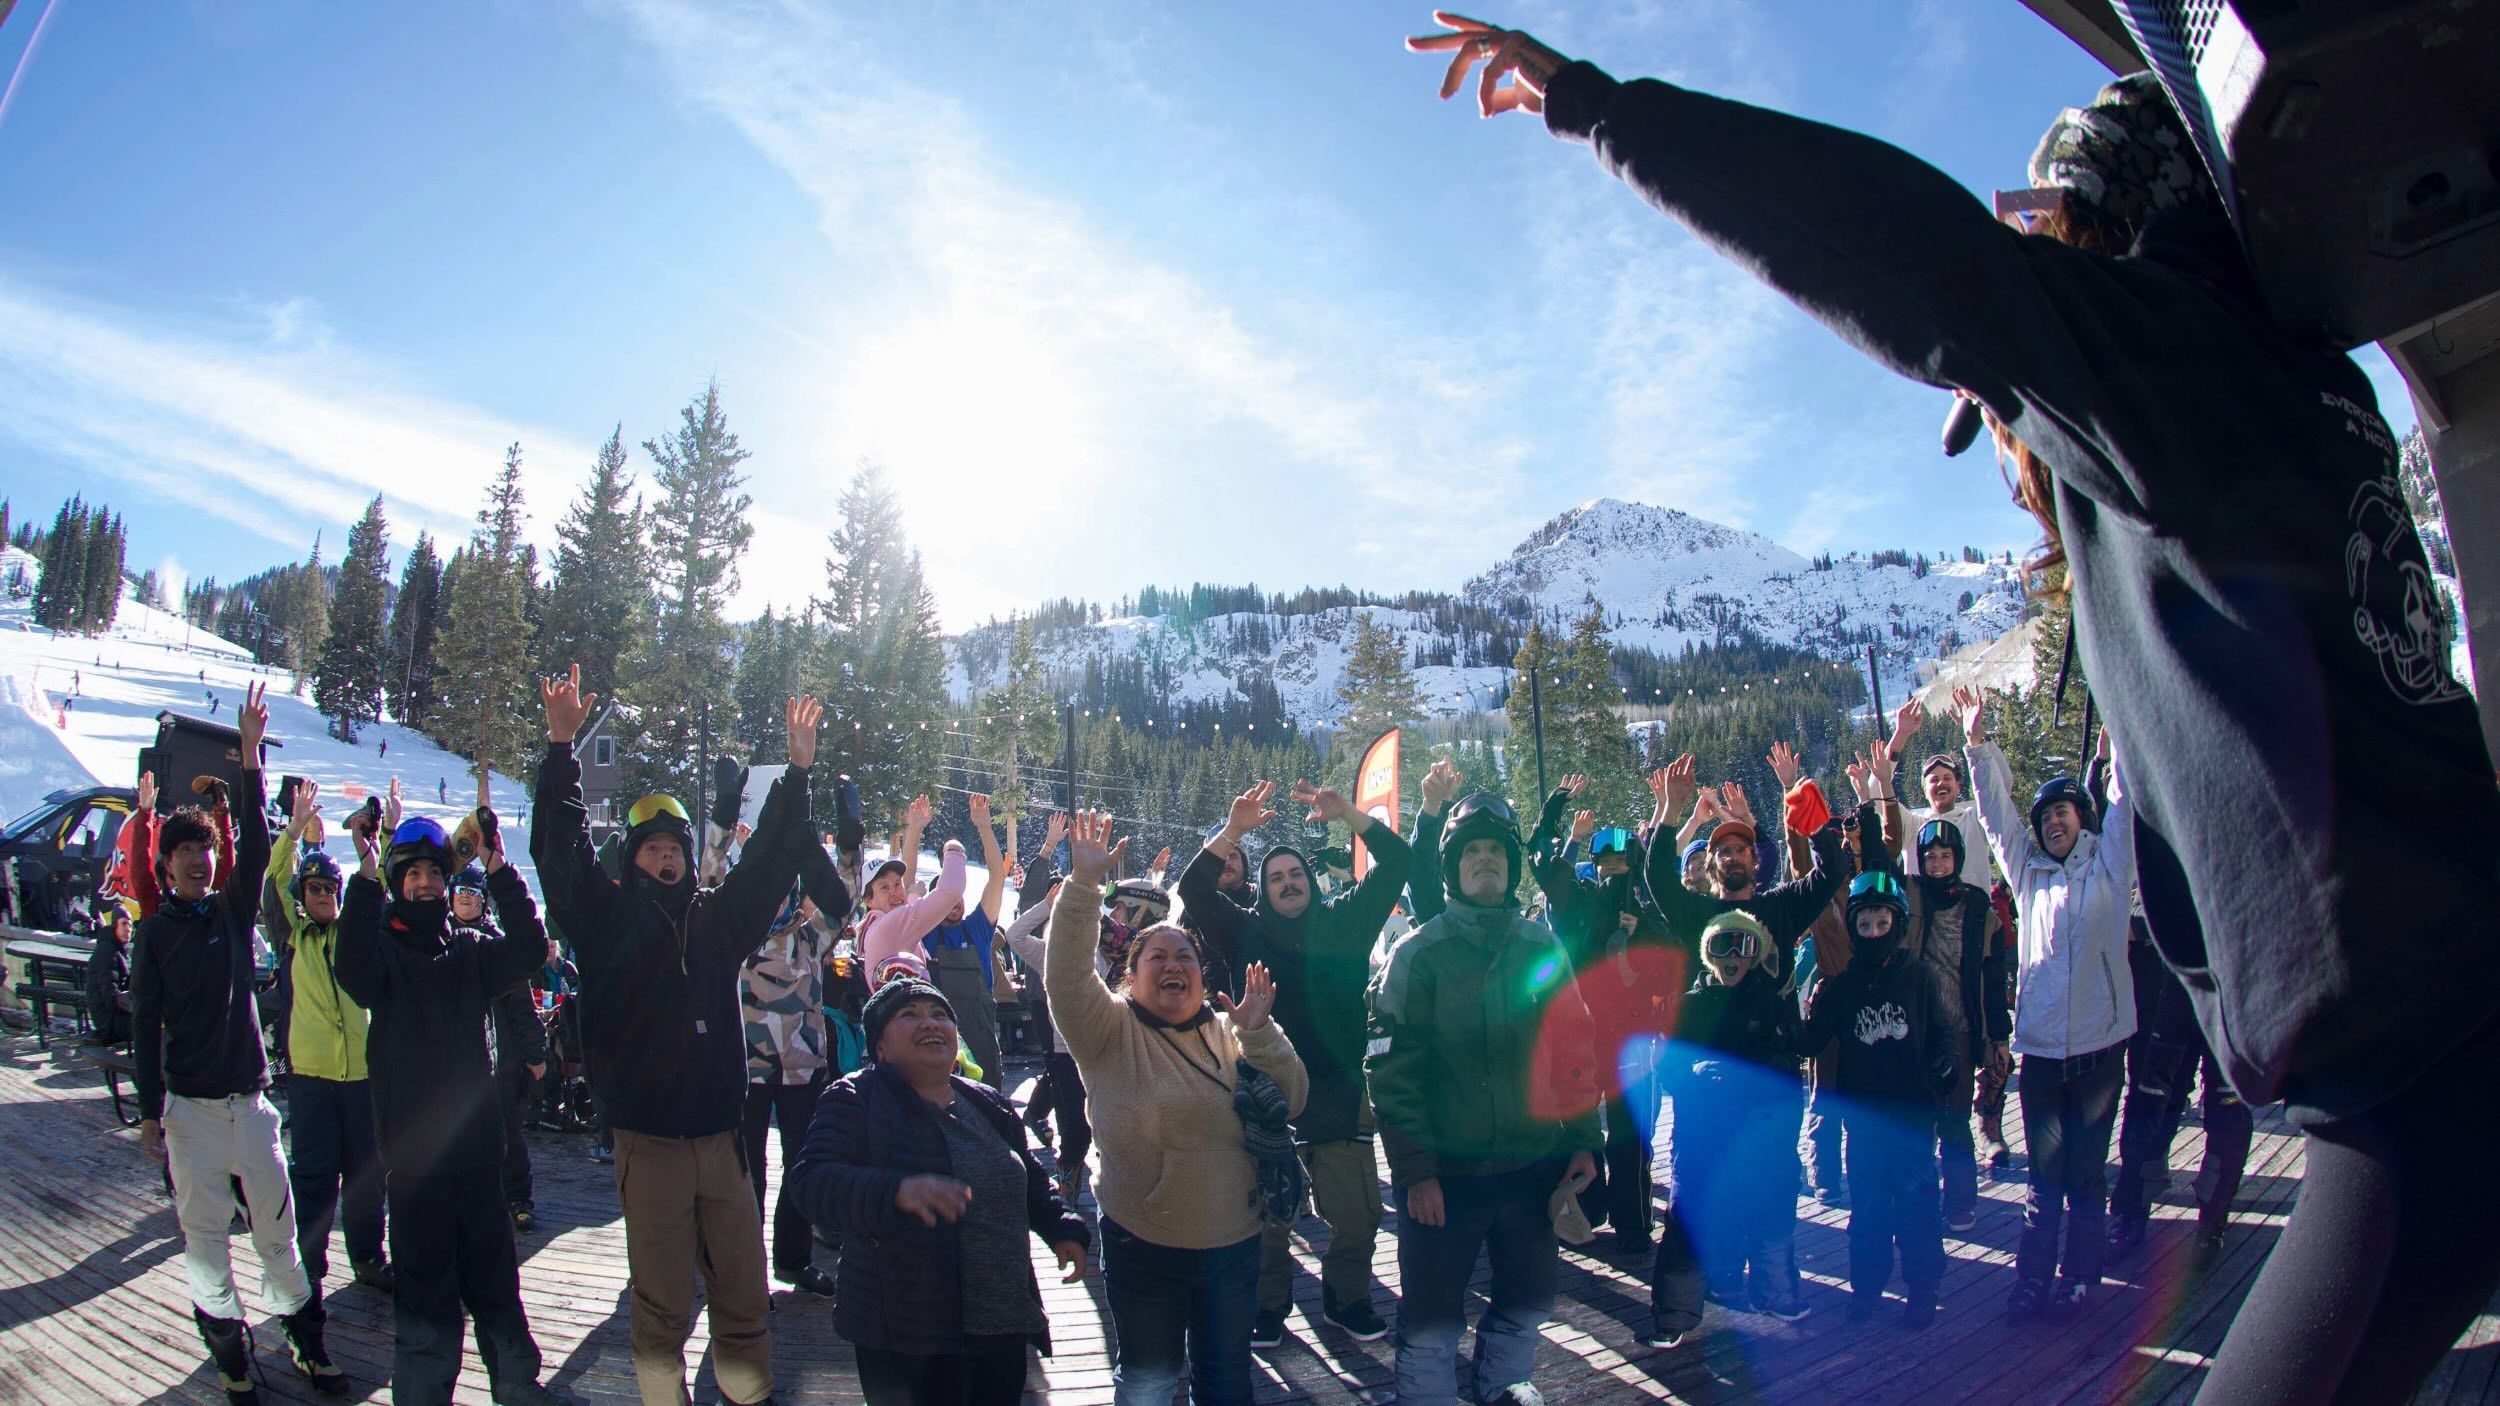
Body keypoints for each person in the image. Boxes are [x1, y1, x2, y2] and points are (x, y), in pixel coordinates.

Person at [1411, 19, 2500, 1397]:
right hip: (2442, 1018)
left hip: (2424, 1062)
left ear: (2096, 233)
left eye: (2003, 404)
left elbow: (1895, 243)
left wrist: (1599, 108)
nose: (2008, 442)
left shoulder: (2167, 361)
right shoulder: (2298, 385)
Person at [530, 665, 820, 1406]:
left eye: (676, 847)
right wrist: (562, 748)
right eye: (651, 847)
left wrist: (796, 771)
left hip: (722, 1143)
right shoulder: (603, 920)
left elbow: (772, 860)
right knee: (661, 1309)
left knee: (745, 1304)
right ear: (629, 860)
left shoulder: (717, 920)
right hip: (649, 1142)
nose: (666, 856)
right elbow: (556, 856)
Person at [1045, 809, 1307, 1406]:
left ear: (1201, 972)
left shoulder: (1229, 1031)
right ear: (1129, 978)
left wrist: (1261, 1036)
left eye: (1184, 957)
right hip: (1143, 1244)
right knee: (1147, 1383)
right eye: (1155, 959)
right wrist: (1083, 887)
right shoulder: (1107, 1032)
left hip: (1234, 1243)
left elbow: (1292, 1100)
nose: (1172, 965)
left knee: (1225, 1383)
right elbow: (1063, 976)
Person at [129, 683, 344, 1402]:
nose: (200, 859)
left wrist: (251, 758)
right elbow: (142, 1024)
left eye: (207, 849)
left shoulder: (229, 908)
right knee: (205, 1251)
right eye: (187, 851)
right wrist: (151, 1110)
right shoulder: (155, 936)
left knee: (279, 1244)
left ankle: (307, 1344)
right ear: (166, 866)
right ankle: (227, 1354)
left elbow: (257, 841)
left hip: (251, 1108)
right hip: (189, 1116)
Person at [1367, 790, 1603, 1406]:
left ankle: (1504, 1387)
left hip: (1532, 1169)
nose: (1484, 861)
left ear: (1511, 864)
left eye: (1495, 851)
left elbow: (1576, 1050)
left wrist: (1583, 1138)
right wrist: (1416, 1171)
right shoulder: (1415, 954)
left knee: (1527, 1299)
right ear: (1451, 867)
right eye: (1471, 852)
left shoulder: (1542, 947)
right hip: (1445, 1178)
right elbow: (1392, 1075)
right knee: (1432, 1318)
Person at [337, 817, 565, 1406]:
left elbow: (527, 950)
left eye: (433, 874)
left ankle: (519, 1390)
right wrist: (363, 877)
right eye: (411, 874)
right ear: (395, 881)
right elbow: (352, 971)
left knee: (496, 1287)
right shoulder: (382, 953)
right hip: (415, 1169)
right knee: (425, 1299)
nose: (424, 884)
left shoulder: (470, 951)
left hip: (475, 1159)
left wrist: (499, 867)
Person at [1178, 777, 1412, 1348]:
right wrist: (1232, 829)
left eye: (1296, 874)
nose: (1287, 883)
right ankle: (1268, 1305)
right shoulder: (1244, 929)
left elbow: (1399, 859)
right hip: (1262, 1089)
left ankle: (1346, 1298)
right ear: (1263, 889)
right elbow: (1194, 890)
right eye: (1276, 877)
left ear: (1310, 881)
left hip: (1337, 1088)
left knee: (1356, 1216)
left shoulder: (1346, 919)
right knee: (1264, 1221)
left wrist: (1350, 815)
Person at [788, 974, 1090, 1405]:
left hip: (1001, 1325)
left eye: (940, 1014)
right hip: (907, 1338)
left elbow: (1028, 1179)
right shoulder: (855, 1098)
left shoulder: (989, 1102)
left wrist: (1062, 1227)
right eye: (908, 1015)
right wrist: (895, 1192)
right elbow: (811, 1183)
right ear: (880, 1047)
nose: (930, 1023)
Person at [1955, 689, 2135, 1318]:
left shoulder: (2110, 866)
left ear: (2083, 818)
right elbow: (1997, 816)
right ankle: (2030, 1281)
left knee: (2086, 1177)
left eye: (2064, 812)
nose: (2054, 822)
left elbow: (2125, 806)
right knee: (2043, 1181)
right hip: (2041, 1059)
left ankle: (2081, 1277)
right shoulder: (2027, 875)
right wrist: (1976, 747)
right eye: (2046, 816)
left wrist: (2118, 755)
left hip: (2097, 1053)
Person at [1858, 749, 2013, 1235]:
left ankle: (1961, 1202)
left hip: (1960, 1028)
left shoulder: (1978, 908)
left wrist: (1998, 1036)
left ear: (1958, 858)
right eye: (1930, 855)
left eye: (1946, 855)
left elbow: (1991, 978)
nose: (1938, 862)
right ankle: (1921, 1202)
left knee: (1953, 1121)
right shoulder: (1909, 896)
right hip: (1915, 1027)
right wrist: (1882, 788)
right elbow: (1880, 852)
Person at [1526, 774, 1679, 1259]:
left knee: (1630, 1138)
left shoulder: (1649, 912)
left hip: (1630, 1038)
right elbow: (1540, 859)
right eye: (1604, 862)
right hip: (1583, 1033)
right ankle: (1588, 1210)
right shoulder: (1581, 901)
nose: (1612, 871)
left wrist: (1642, 940)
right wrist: (1556, 809)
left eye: (1620, 862)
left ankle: (1633, 1224)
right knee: (1579, 1129)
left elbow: (1673, 971)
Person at [1797, 872, 1957, 1327]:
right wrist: (1792, 1014)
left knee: (1917, 1207)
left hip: (1911, 1117)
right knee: (1867, 1211)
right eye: (1863, 925)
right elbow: (1811, 1040)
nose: (1872, 933)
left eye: (1881, 923)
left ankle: (1923, 1288)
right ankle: (1866, 1288)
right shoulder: (1843, 987)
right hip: (1863, 1122)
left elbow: (1942, 1032)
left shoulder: (1920, 977)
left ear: (1898, 923)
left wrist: (1947, 1063)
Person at [1651, 910, 1807, 1344]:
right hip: (1700, 1138)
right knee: (1688, 1220)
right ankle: (1674, 1315)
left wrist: (1768, 1072)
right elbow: (1667, 1073)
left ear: (1756, 954)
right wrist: (1699, 1072)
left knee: (1769, 1212)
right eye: (1723, 946)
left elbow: (1791, 1079)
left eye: (1745, 946)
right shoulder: (1689, 1006)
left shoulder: (1771, 1004)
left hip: (1759, 1139)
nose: (1734, 956)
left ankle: (1774, 1292)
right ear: (1708, 955)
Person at [265, 782, 392, 1299]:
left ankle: (366, 1256)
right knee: (314, 1177)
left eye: (329, 890)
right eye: (314, 889)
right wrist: (293, 832)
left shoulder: (354, 933)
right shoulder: (292, 937)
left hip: (361, 1076)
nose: (322, 896)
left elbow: (378, 888)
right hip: (312, 1077)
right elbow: (275, 877)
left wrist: (379, 835)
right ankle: (310, 1267)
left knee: (367, 1175)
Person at [741, 855, 855, 1299]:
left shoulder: (811, 938)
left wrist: (848, 849)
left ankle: (793, 1259)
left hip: (804, 1071)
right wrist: (724, 822)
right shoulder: (734, 934)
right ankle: (746, 1273)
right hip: (746, 1069)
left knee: (801, 1167)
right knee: (746, 1173)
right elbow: (708, 879)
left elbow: (842, 901)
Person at [445, 864, 550, 1235]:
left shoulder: (497, 943)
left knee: (506, 1133)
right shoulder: (438, 941)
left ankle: (518, 1198)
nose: (466, 901)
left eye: (473, 895)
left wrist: (535, 1053)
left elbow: (522, 1006)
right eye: (460, 894)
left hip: (501, 1059)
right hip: (453, 1063)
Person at [924, 793, 1010, 1089]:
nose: (954, 904)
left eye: (957, 896)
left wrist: (984, 828)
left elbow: (997, 877)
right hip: (938, 1039)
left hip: (981, 1034)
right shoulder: (927, 934)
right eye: (946, 898)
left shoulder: (977, 928)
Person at [85, 903, 135, 1046]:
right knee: (152, 1025)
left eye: (130, 925)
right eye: (124, 924)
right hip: (108, 1020)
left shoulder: (119, 950)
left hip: (117, 1014)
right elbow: (111, 996)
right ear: (115, 926)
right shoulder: (107, 951)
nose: (128, 929)